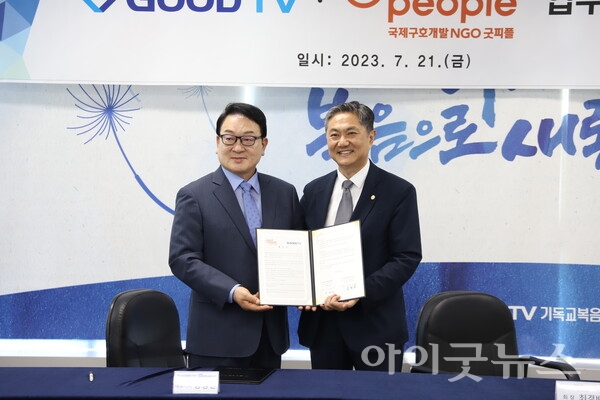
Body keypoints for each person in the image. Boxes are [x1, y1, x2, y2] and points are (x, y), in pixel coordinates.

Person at [169, 102, 304, 369]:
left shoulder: (284, 193)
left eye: (248, 139)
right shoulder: (194, 195)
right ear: (217, 142)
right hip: (216, 338)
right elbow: (183, 259)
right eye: (229, 138)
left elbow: (300, 252)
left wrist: (307, 289)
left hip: (269, 338)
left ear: (264, 145)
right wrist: (232, 291)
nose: (238, 147)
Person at [298, 101, 422, 372]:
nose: (342, 142)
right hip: (324, 328)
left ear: (371, 136)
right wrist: (302, 288)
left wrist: (360, 292)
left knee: (379, 394)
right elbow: (300, 250)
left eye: (351, 133)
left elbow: (406, 257)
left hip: (376, 327)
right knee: (327, 393)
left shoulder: (398, 191)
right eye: (334, 134)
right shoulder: (313, 191)